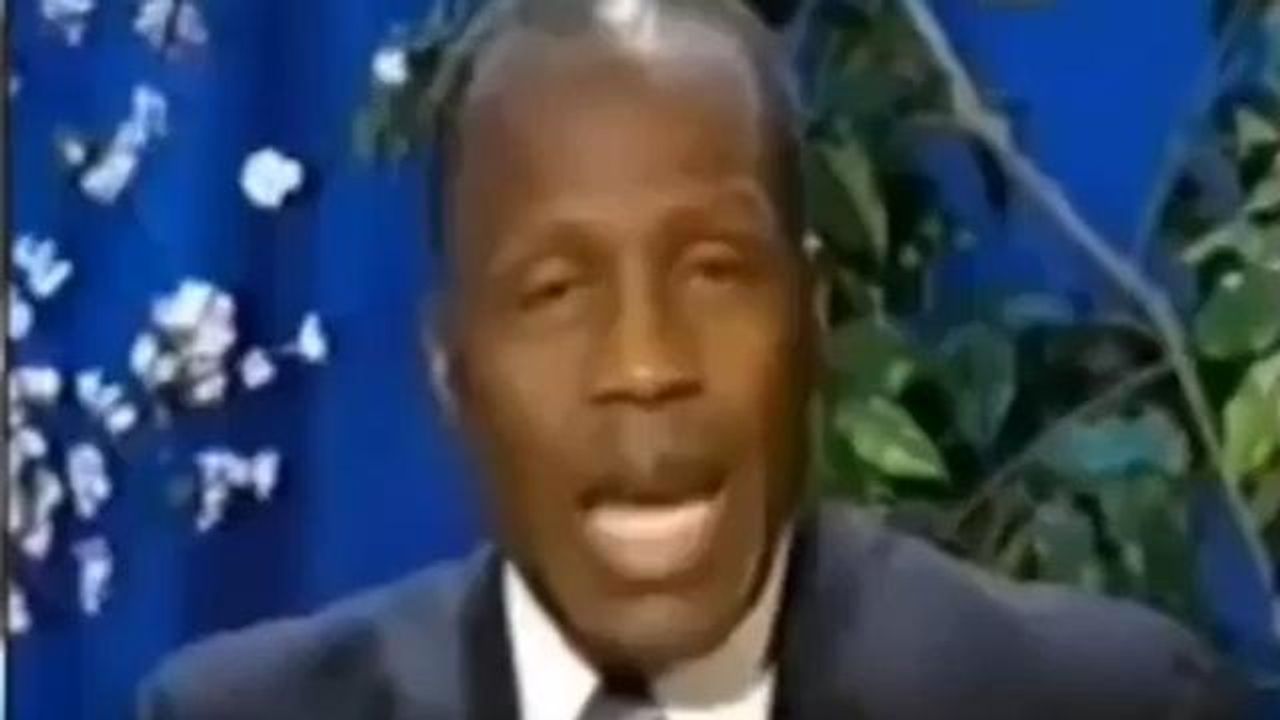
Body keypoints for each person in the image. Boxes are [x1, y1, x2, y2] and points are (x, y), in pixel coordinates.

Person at [137, 1, 1245, 717]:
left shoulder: (1102, 705)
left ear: (813, 321)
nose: (645, 362)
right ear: (451, 369)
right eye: (554, 292)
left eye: (714, 272)